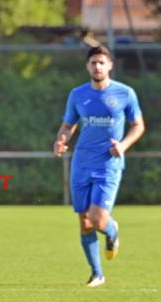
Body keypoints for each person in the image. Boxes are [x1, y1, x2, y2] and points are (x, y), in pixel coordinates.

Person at [53, 45, 145, 288]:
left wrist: (123, 145)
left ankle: (112, 229)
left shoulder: (125, 93)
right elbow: (68, 126)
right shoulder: (78, 94)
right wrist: (61, 140)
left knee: (97, 219)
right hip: (81, 163)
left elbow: (138, 126)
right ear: (87, 66)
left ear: (110, 65)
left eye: (101, 62)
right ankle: (97, 274)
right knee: (84, 221)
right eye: (93, 62)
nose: (97, 67)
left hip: (109, 164)